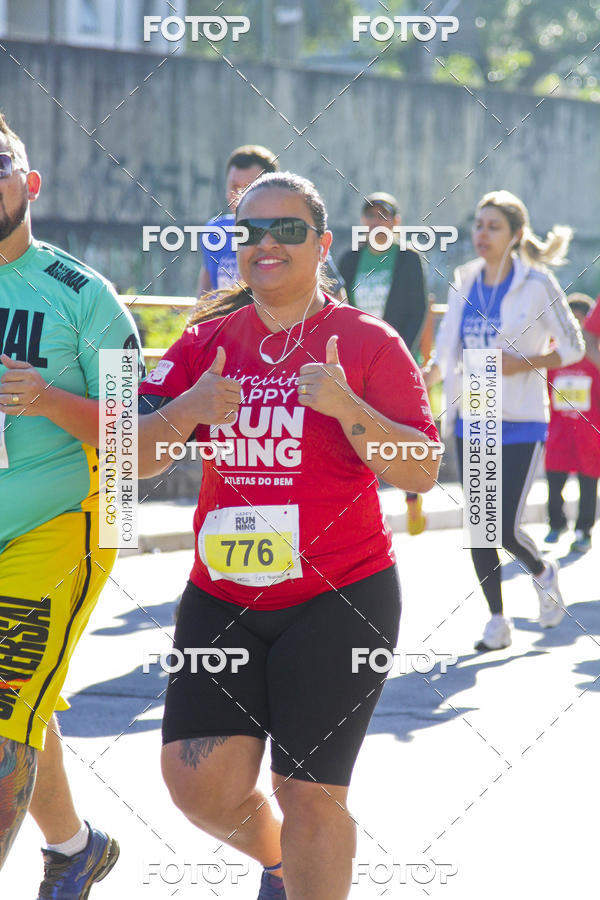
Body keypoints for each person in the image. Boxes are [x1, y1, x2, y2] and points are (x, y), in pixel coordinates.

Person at [137, 172, 440, 900]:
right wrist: (190, 406)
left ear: (323, 244)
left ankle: (307, 877)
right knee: (195, 784)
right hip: (224, 594)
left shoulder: (365, 340)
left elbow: (423, 470)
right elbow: (133, 455)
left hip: (339, 596)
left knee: (308, 792)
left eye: (288, 230)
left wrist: (346, 406)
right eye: (250, 232)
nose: (266, 244)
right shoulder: (206, 339)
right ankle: (283, 866)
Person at [0, 112, 142, 894]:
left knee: (3, 706)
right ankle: (75, 847)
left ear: (31, 183)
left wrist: (50, 399)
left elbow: (136, 434)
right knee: (23, 705)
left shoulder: (84, 297)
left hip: (60, 525)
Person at [422, 189, 584, 652]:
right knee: (480, 525)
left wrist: (525, 362)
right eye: (478, 225)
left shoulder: (537, 283)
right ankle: (497, 621)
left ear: (515, 235)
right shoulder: (464, 278)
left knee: (503, 525)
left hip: (522, 417)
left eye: (494, 226)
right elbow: (448, 349)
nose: (482, 234)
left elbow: (570, 348)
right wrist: (422, 376)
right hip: (474, 411)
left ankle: (542, 571)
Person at [339, 192, 428, 534]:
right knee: (358, 429)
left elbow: (418, 310)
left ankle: (412, 498)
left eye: (384, 216)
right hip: (359, 360)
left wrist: (397, 353)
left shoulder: (407, 259)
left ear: (396, 222)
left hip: (397, 356)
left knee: (403, 430)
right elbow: (338, 304)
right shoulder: (350, 259)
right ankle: (362, 505)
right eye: (371, 216)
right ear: (364, 222)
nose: (377, 222)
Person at [197, 144, 347, 302]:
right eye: (235, 186)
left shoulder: (298, 235)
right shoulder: (214, 232)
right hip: (228, 325)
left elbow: (336, 296)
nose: (239, 196)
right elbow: (204, 294)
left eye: (249, 187)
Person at [544, 294, 600, 553]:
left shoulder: (595, 357)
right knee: (554, 482)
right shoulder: (552, 353)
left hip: (590, 433)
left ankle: (584, 531)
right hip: (559, 431)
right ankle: (557, 524)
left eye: (581, 323)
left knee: (588, 484)